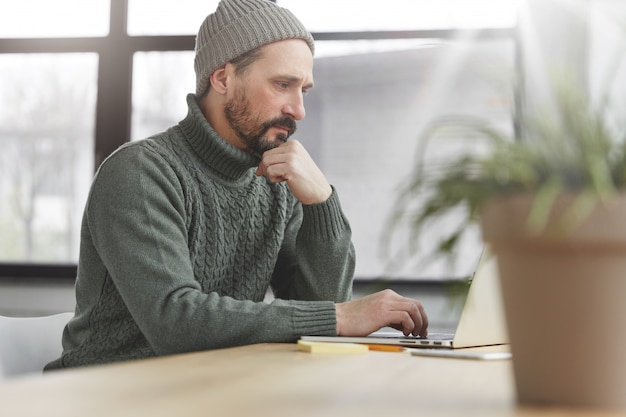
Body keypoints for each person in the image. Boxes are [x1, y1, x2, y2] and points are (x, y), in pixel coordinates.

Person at [45, 0, 428, 371]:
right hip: (106, 396)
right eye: (283, 84)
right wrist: (338, 317)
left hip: (214, 390)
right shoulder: (141, 172)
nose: (299, 109)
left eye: (304, 90)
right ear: (223, 77)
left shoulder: (277, 181)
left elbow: (317, 312)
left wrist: (321, 203)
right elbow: (176, 322)